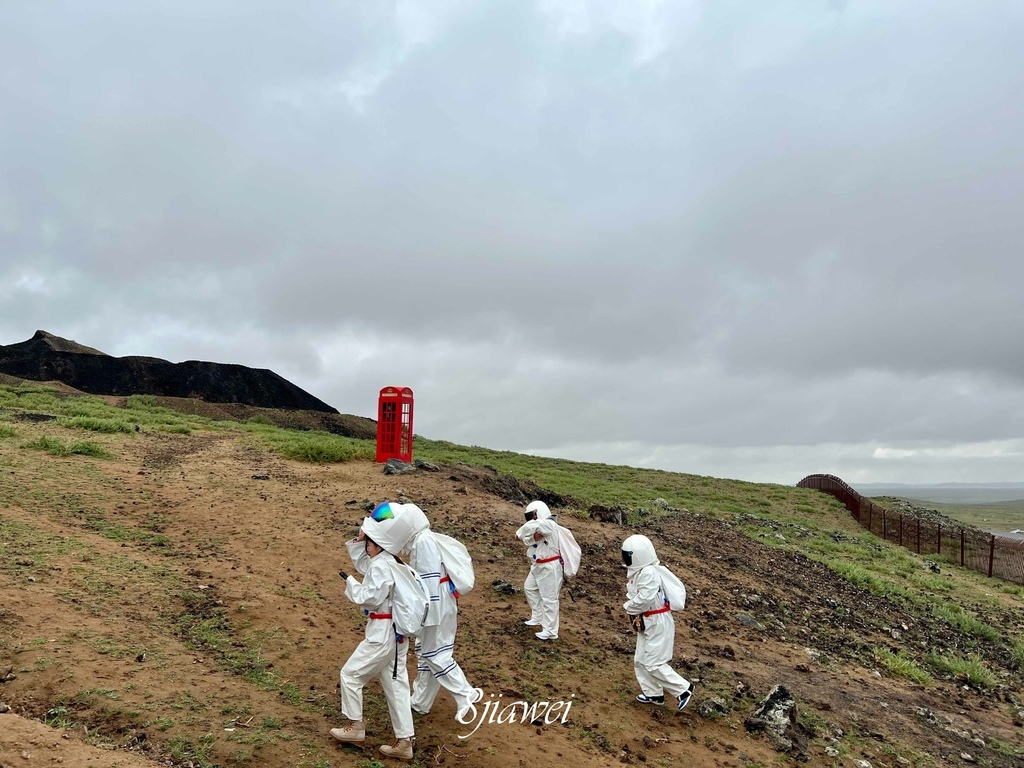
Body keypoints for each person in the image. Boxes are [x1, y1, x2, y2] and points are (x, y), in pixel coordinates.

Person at [330, 503, 415, 762]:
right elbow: (368, 566)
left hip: (382, 632)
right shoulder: (391, 562)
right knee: (396, 685)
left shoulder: (381, 566)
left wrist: (351, 584)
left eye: (368, 541)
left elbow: (370, 597)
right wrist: (360, 540)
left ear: (377, 544)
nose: (365, 544)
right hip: (397, 633)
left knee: (351, 674)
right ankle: (404, 741)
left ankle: (355, 727)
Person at [397, 503, 481, 719]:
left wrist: (425, 614)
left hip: (436, 603)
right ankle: (420, 701)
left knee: (436, 653)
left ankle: (465, 694)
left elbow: (429, 580)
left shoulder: (423, 542)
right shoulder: (424, 540)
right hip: (440, 600)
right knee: (426, 653)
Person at [621, 534, 694, 711]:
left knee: (654, 662)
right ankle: (653, 693)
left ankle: (683, 689)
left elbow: (645, 599)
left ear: (636, 556)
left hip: (657, 620)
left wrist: (628, 607)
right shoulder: (641, 572)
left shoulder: (648, 573)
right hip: (649, 619)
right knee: (641, 659)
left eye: (627, 555)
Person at [515, 500, 563, 640]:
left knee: (549, 599)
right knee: (529, 588)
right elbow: (527, 540)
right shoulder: (537, 527)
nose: (532, 519)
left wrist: (520, 532)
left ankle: (551, 631)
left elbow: (532, 527)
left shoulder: (549, 525)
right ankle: (538, 616)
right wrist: (532, 538)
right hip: (537, 565)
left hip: (549, 566)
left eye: (534, 515)